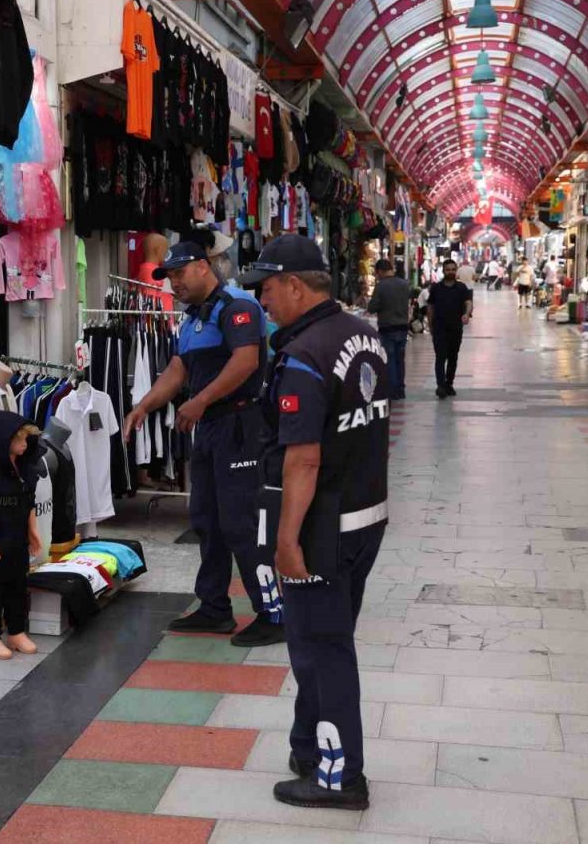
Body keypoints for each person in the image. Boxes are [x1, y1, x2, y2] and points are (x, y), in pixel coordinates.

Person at [239, 234, 388, 810]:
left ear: (296, 286)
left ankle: (339, 776)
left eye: (268, 289)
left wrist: (285, 540)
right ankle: (309, 747)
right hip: (364, 514)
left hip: (321, 527)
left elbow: (303, 456)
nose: (263, 302)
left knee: (322, 648)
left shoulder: (305, 354)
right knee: (320, 639)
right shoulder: (363, 336)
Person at [123, 241, 281, 647]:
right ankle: (214, 608)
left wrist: (200, 400)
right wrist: (144, 405)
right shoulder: (193, 318)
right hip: (209, 430)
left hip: (239, 425)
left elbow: (246, 360)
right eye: (169, 277)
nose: (174, 283)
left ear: (204, 267)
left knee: (240, 524)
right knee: (206, 521)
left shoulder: (238, 306)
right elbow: (178, 369)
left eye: (179, 274)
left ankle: (272, 613)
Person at [0, 412, 44, 660]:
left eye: (26, 439)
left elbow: (29, 503)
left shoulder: (24, 473)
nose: (24, 445)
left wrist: (33, 531)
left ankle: (16, 630)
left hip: (17, 542)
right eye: (18, 440)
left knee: (17, 587)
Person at [427, 259, 474, 399]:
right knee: (440, 357)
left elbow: (468, 302)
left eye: (453, 269)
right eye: (448, 269)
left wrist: (466, 314)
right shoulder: (436, 288)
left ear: (456, 271)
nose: (451, 272)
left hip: (455, 328)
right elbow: (430, 307)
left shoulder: (461, 288)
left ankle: (449, 384)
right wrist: (430, 325)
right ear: (443, 271)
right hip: (439, 328)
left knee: (453, 357)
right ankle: (440, 386)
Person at [366, 258, 410, 399]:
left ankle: (392, 390)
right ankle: (401, 389)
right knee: (400, 359)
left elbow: (372, 307)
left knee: (390, 359)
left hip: (387, 327)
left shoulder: (381, 286)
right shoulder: (404, 284)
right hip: (403, 326)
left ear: (379, 271)